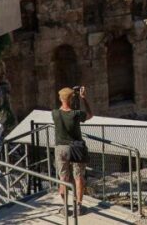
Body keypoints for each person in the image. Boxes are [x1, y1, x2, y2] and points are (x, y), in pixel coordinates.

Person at [53, 86, 93, 216]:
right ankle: (79, 206)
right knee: (78, 177)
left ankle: (65, 207)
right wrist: (83, 98)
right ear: (71, 99)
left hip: (61, 149)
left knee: (63, 177)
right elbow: (90, 115)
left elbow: (62, 109)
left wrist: (68, 98)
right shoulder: (76, 114)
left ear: (60, 98)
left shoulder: (55, 113)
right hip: (76, 148)